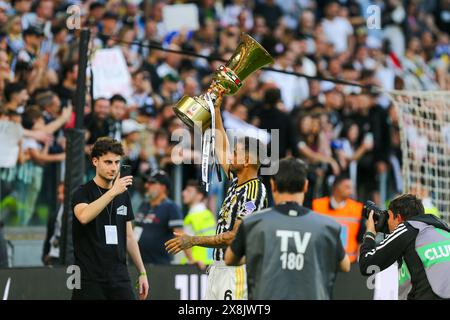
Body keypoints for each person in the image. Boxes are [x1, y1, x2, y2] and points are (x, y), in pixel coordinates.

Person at [165, 92, 269, 300]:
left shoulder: (254, 192)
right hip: (218, 269)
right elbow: (220, 145)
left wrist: (193, 240)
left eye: (236, 153)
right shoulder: (236, 181)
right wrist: (217, 111)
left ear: (247, 160)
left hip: (236, 272)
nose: (230, 155)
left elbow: (234, 236)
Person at [224, 157, 350, 299]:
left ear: (272, 185)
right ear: (306, 186)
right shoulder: (327, 226)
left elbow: (229, 258)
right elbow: (345, 265)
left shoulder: (252, 222)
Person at [71, 137, 149, 300]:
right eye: (108, 162)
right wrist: (112, 192)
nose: (113, 168)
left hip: (119, 276)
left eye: (116, 162)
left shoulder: (123, 195)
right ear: (95, 161)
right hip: (89, 279)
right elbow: (84, 216)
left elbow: (129, 237)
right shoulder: (82, 192)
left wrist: (142, 271)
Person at [359, 193, 450, 300]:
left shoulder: (406, 228)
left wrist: (370, 233)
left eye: (388, 217)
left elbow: (367, 264)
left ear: (398, 218)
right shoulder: (444, 230)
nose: (386, 222)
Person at [134, 170, 199, 266]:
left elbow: (180, 234)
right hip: (136, 264)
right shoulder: (143, 205)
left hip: (159, 266)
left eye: (151, 183)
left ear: (162, 187)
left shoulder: (171, 207)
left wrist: (191, 260)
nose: (146, 186)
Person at [312, 175, 365, 263]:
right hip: (321, 260)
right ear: (336, 187)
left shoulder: (357, 208)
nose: (351, 191)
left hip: (348, 262)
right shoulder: (317, 205)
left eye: (352, 188)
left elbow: (361, 237)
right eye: (347, 187)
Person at [180, 180, 216, 266]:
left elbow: (184, 243)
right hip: (210, 263)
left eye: (189, 191)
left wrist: (192, 260)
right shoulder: (209, 215)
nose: (183, 193)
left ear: (199, 196)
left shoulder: (191, 217)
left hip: (196, 265)